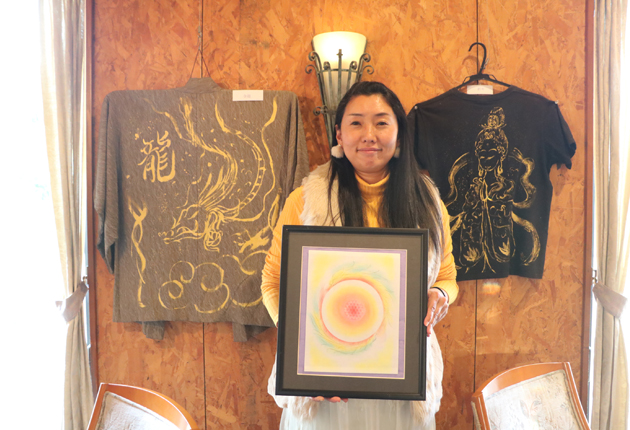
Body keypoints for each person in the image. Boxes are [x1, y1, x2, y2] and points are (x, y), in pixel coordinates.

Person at [260, 81, 458, 430]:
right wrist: (302, 346)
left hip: (402, 378)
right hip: (325, 382)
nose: (369, 135)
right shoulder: (305, 200)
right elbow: (272, 282)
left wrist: (440, 294)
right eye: (356, 123)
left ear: (399, 132)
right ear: (339, 133)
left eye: (381, 123)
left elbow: (446, 276)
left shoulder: (427, 202)